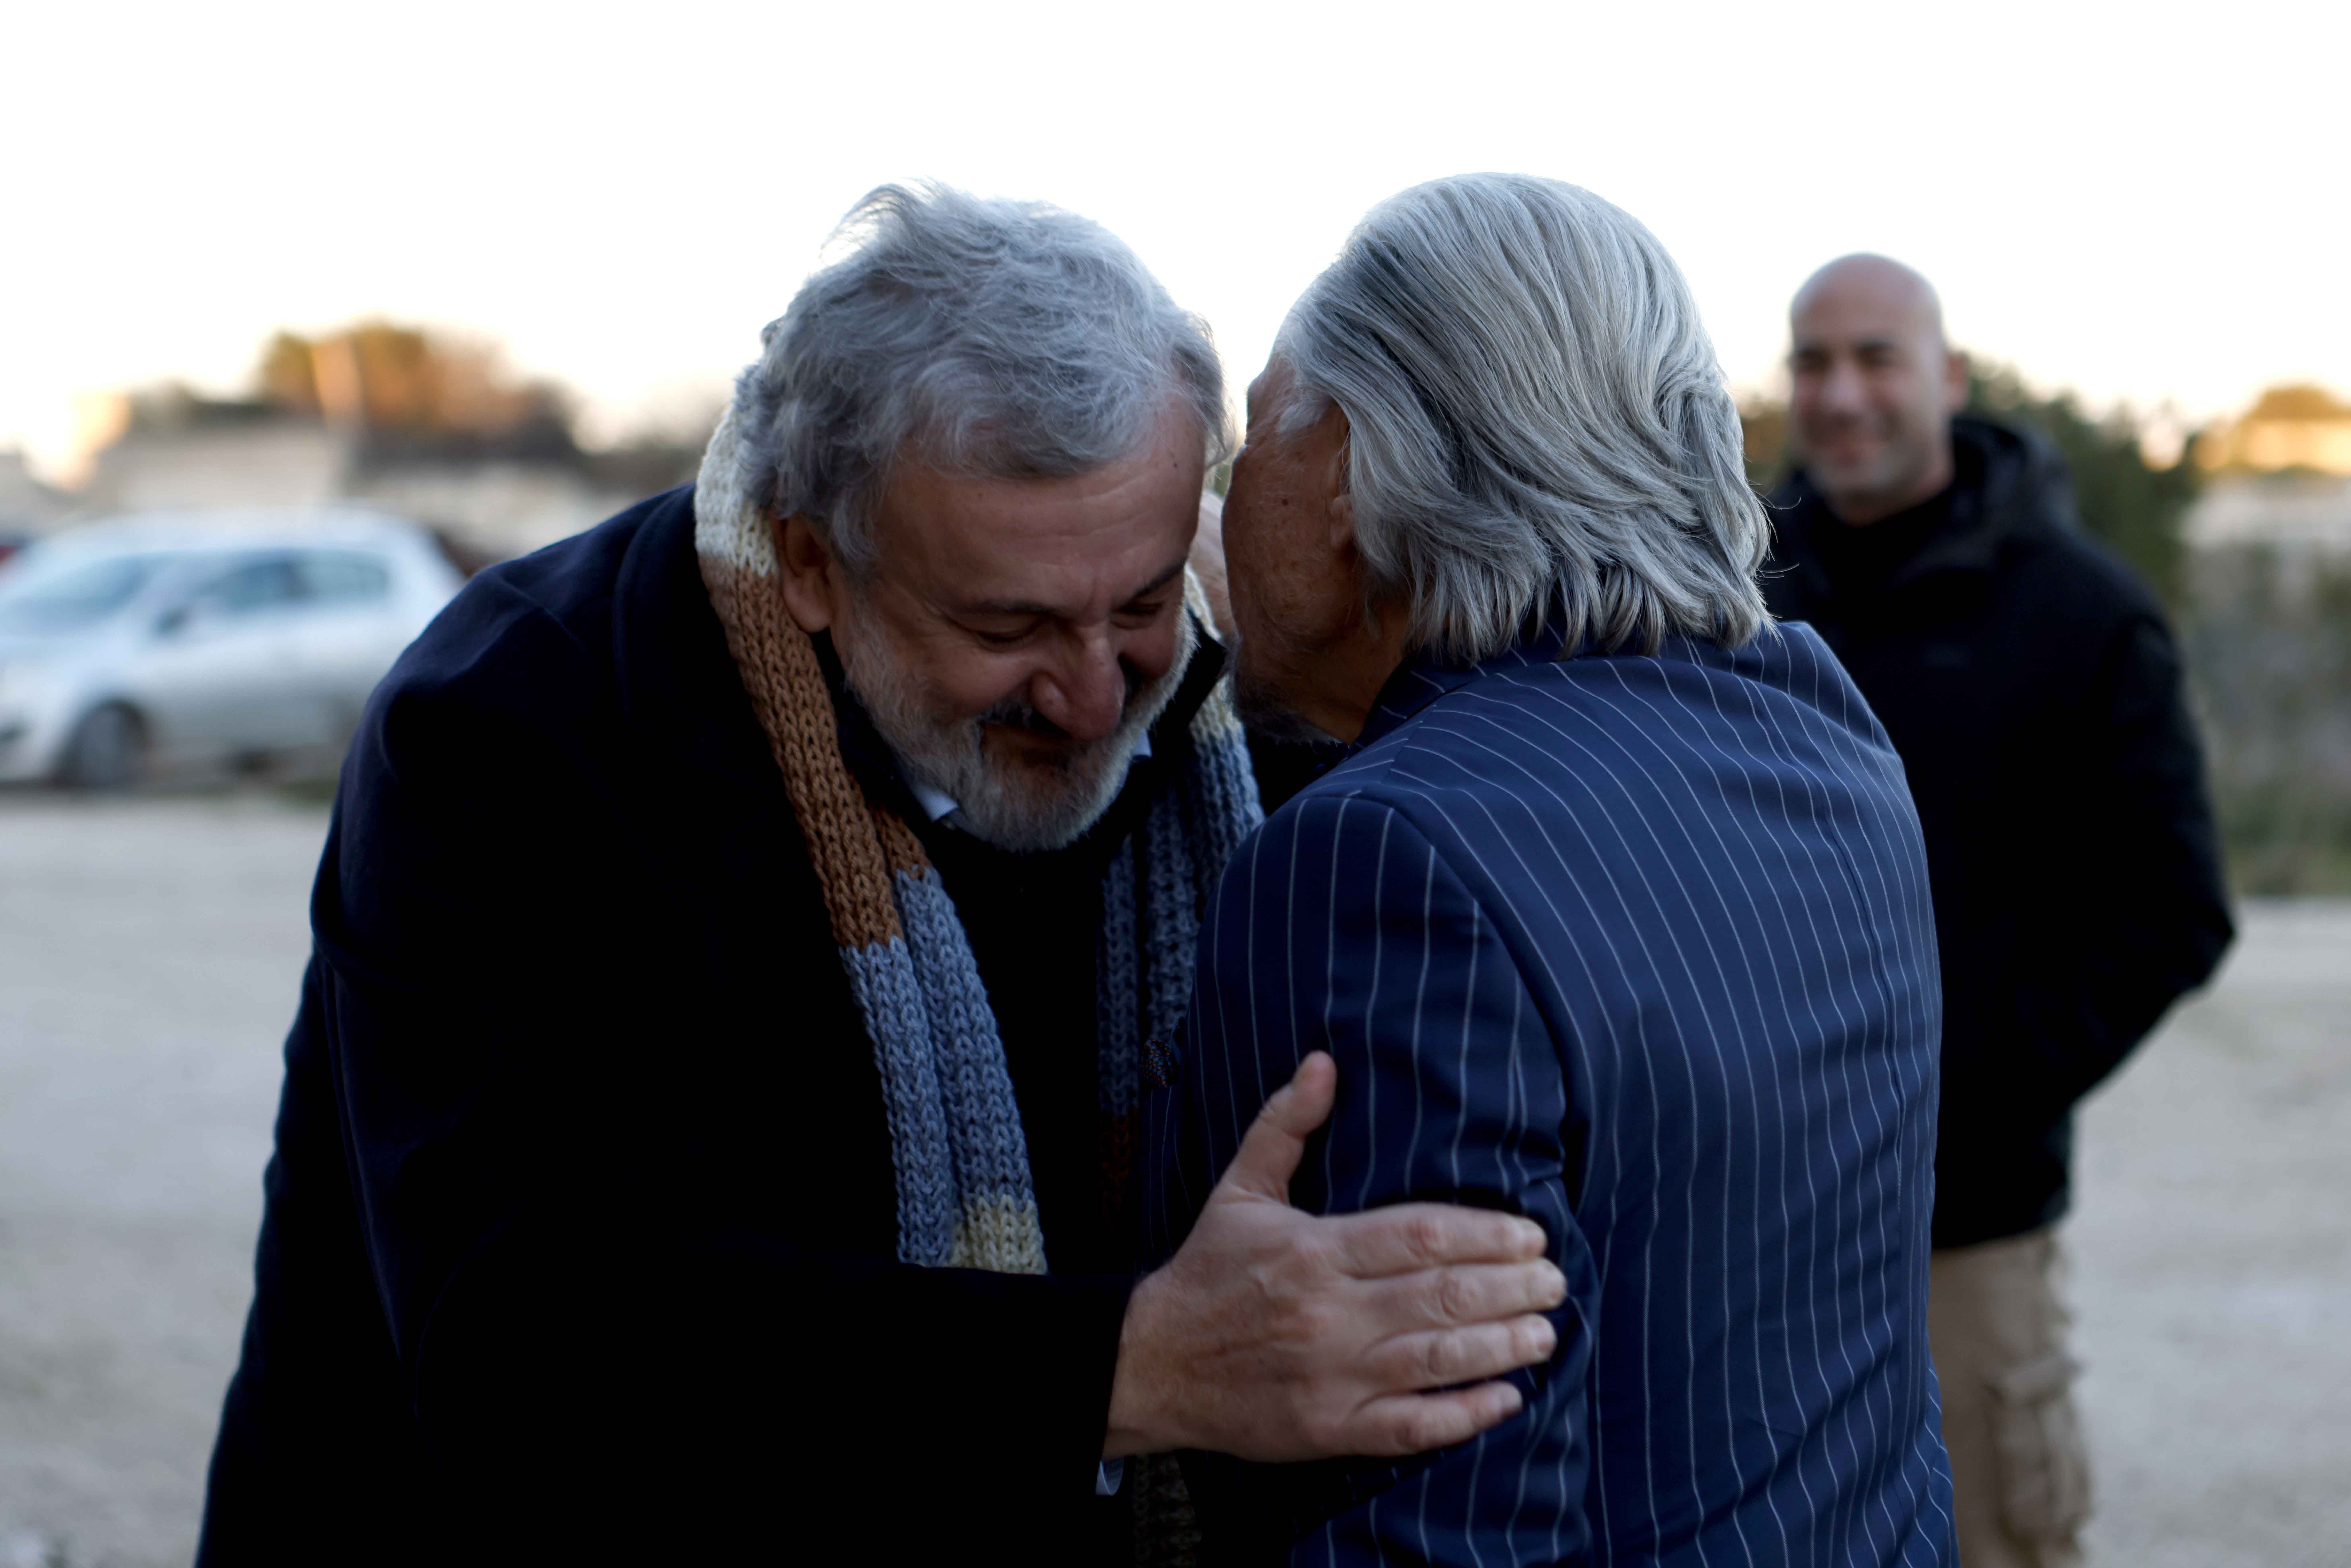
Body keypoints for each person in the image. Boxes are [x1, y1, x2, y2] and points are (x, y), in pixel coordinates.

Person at [194, 184, 1566, 1565]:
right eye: (1006, 622)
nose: (1095, 697)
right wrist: (1133, 1365)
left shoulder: (1225, 703)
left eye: (1142, 600)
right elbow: (529, 1348)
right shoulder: (515, 728)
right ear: (807, 558)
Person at [1146, 173, 1956, 1565]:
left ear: (1345, 470)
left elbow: (1427, 1513)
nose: (1212, 514)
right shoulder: (1823, 731)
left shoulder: (1378, 861)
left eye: (1248, 447)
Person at [1764, 254, 2233, 1568]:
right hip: (1743, 1223)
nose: (1841, 393)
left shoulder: (2080, 617)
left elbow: (2172, 909)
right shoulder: (1732, 598)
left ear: (1948, 378)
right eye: (1812, 361)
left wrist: (1958, 1092)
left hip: (1961, 1237)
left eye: (1875, 358)